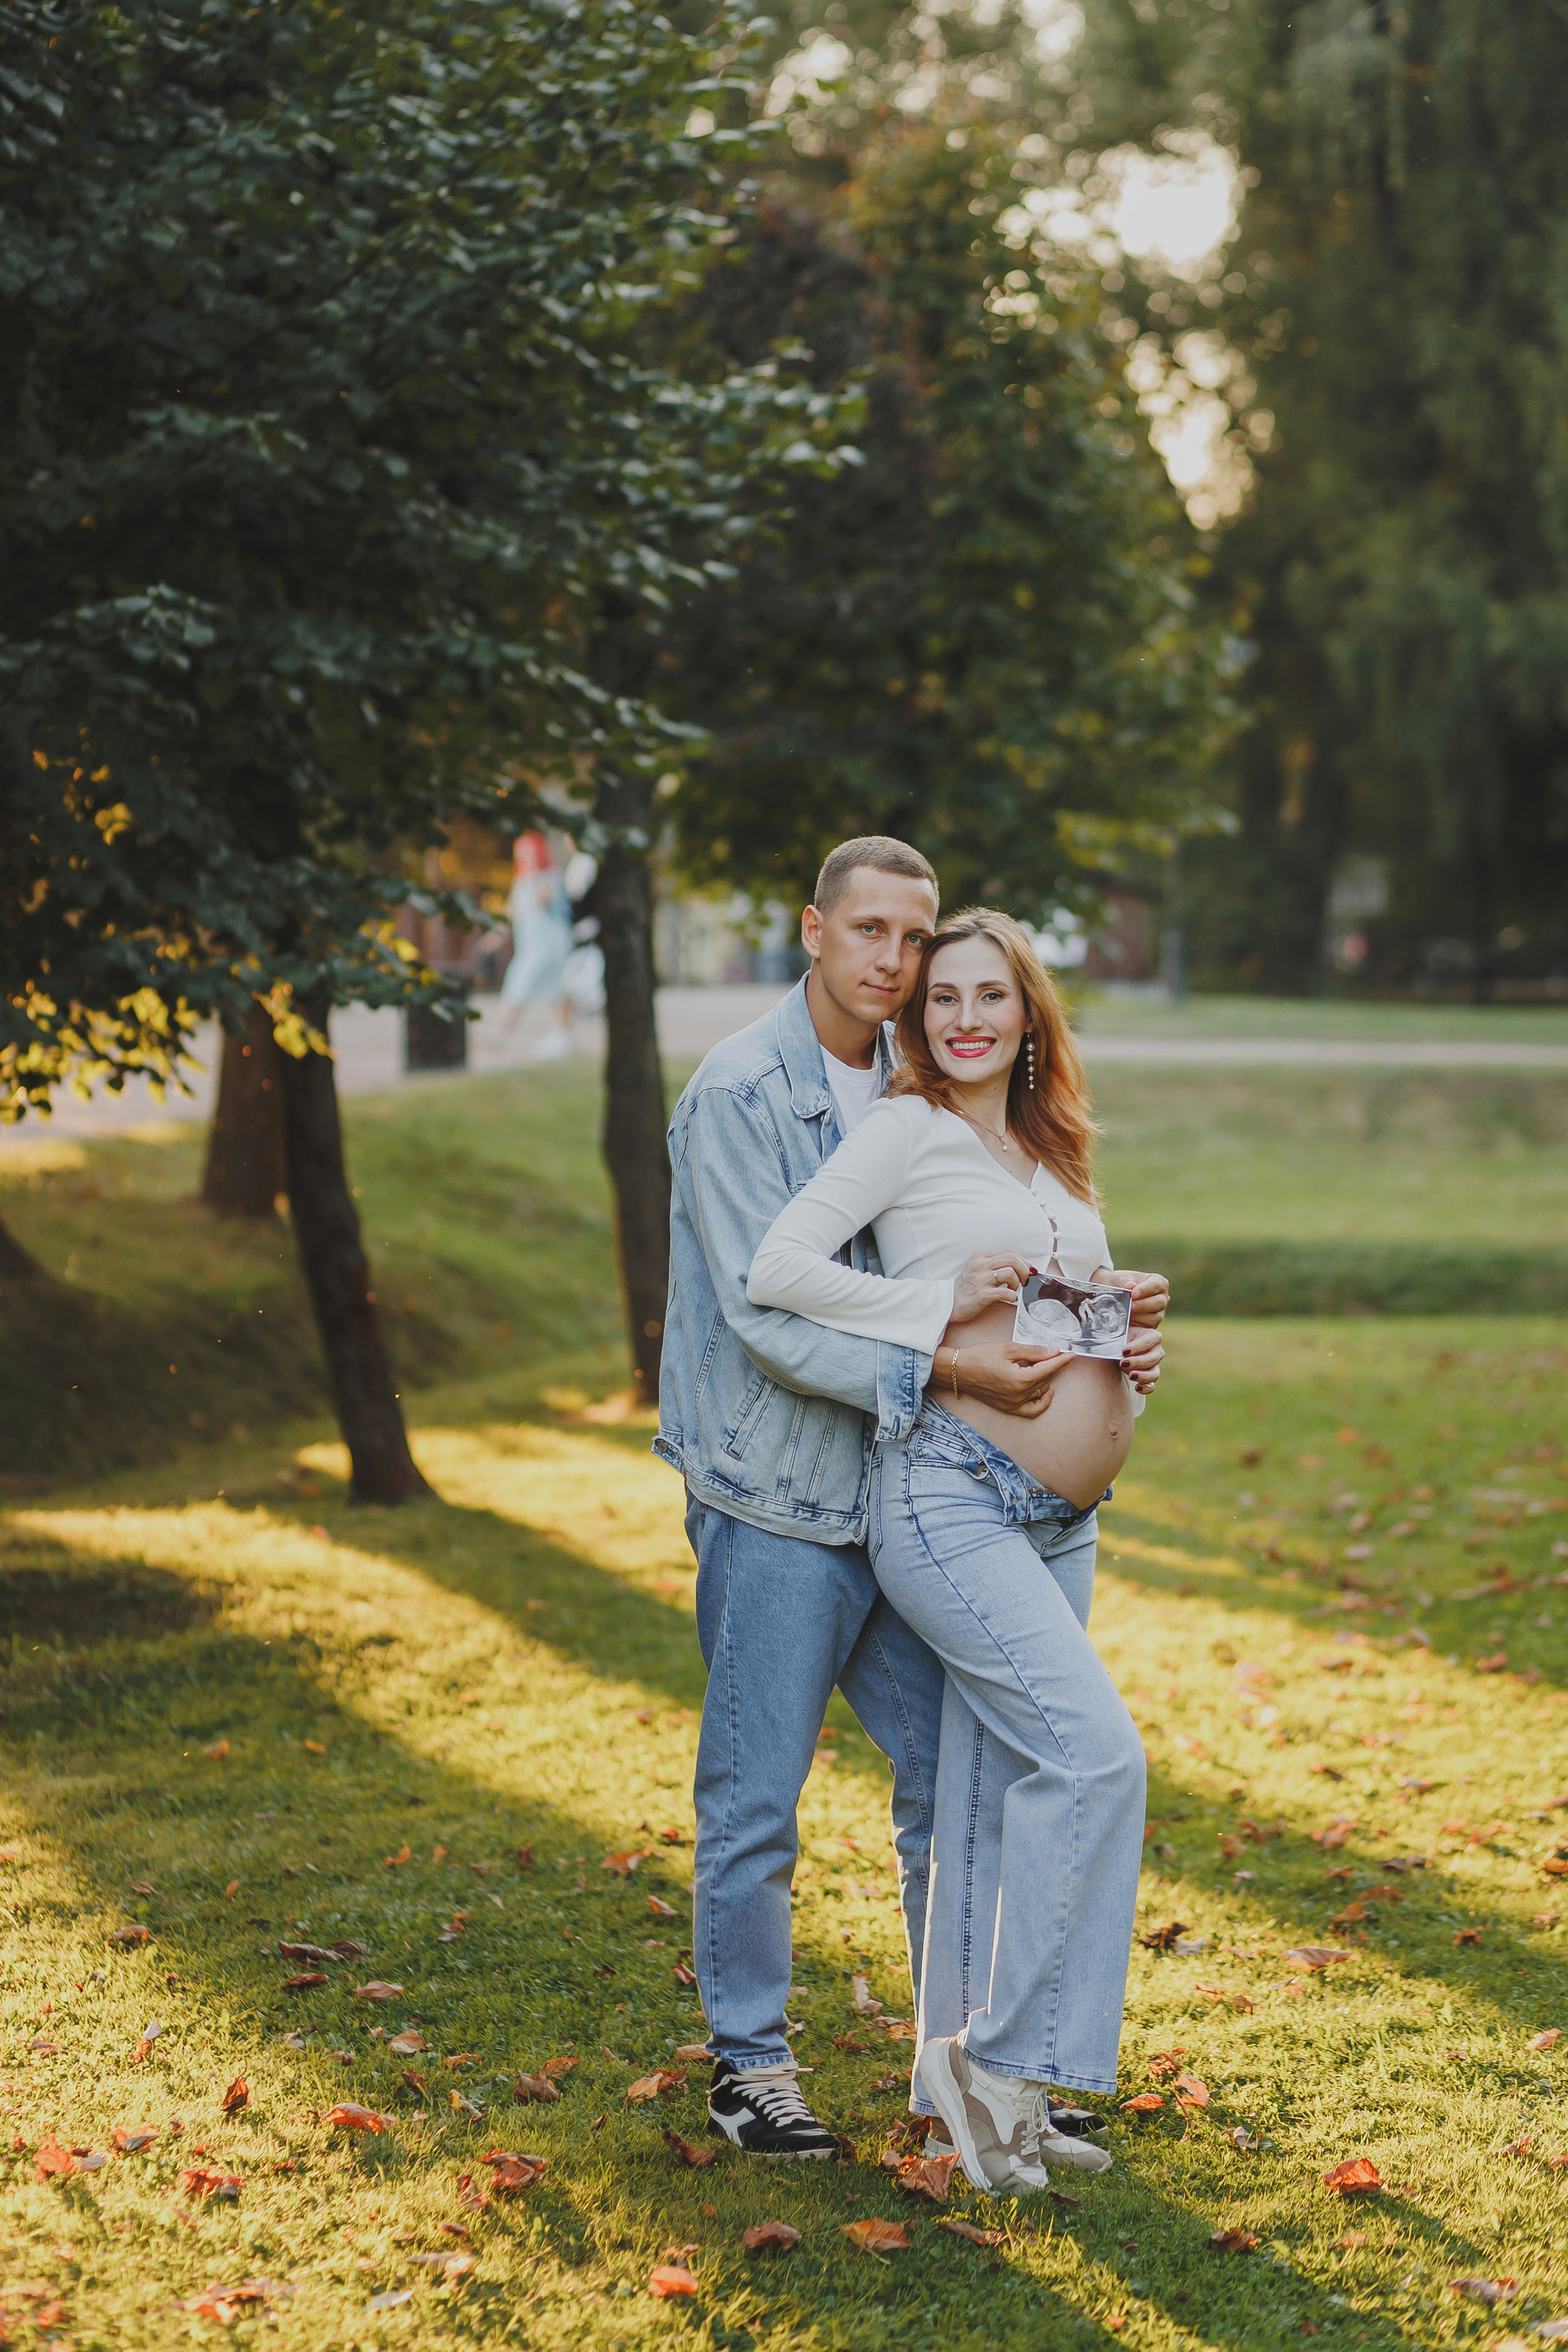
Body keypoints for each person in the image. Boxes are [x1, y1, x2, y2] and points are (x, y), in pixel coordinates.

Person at [656, 839, 1073, 2160]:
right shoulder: (740, 1091)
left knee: (952, 1785)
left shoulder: (914, 1089)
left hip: (894, 1494)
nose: (894, 961)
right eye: (870, 932)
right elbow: (762, 1311)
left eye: (914, 936)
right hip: (775, 1497)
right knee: (754, 1792)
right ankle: (748, 2066)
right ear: (814, 931)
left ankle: (961, 2070)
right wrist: (944, 1353)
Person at [747, 908, 1167, 2192]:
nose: (965, 1018)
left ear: (1029, 1013)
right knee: (1095, 1759)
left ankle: (980, 2102)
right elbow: (780, 1267)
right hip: (947, 1495)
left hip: (1060, 1519)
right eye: (942, 1000)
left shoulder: (1052, 1151)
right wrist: (938, 1306)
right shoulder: (904, 1130)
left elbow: (1062, 1325)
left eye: (991, 996)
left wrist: (1128, 1357)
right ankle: (990, 2067)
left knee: (989, 1805)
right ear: (918, 1020)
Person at [499, 831, 574, 1056]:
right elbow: (511, 911)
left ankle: (502, 1030)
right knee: (539, 985)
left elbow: (543, 900)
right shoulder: (520, 880)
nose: (524, 858)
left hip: (550, 942)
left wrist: (534, 877)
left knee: (550, 986)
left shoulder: (549, 876)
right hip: (530, 943)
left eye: (528, 853)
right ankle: (562, 1034)